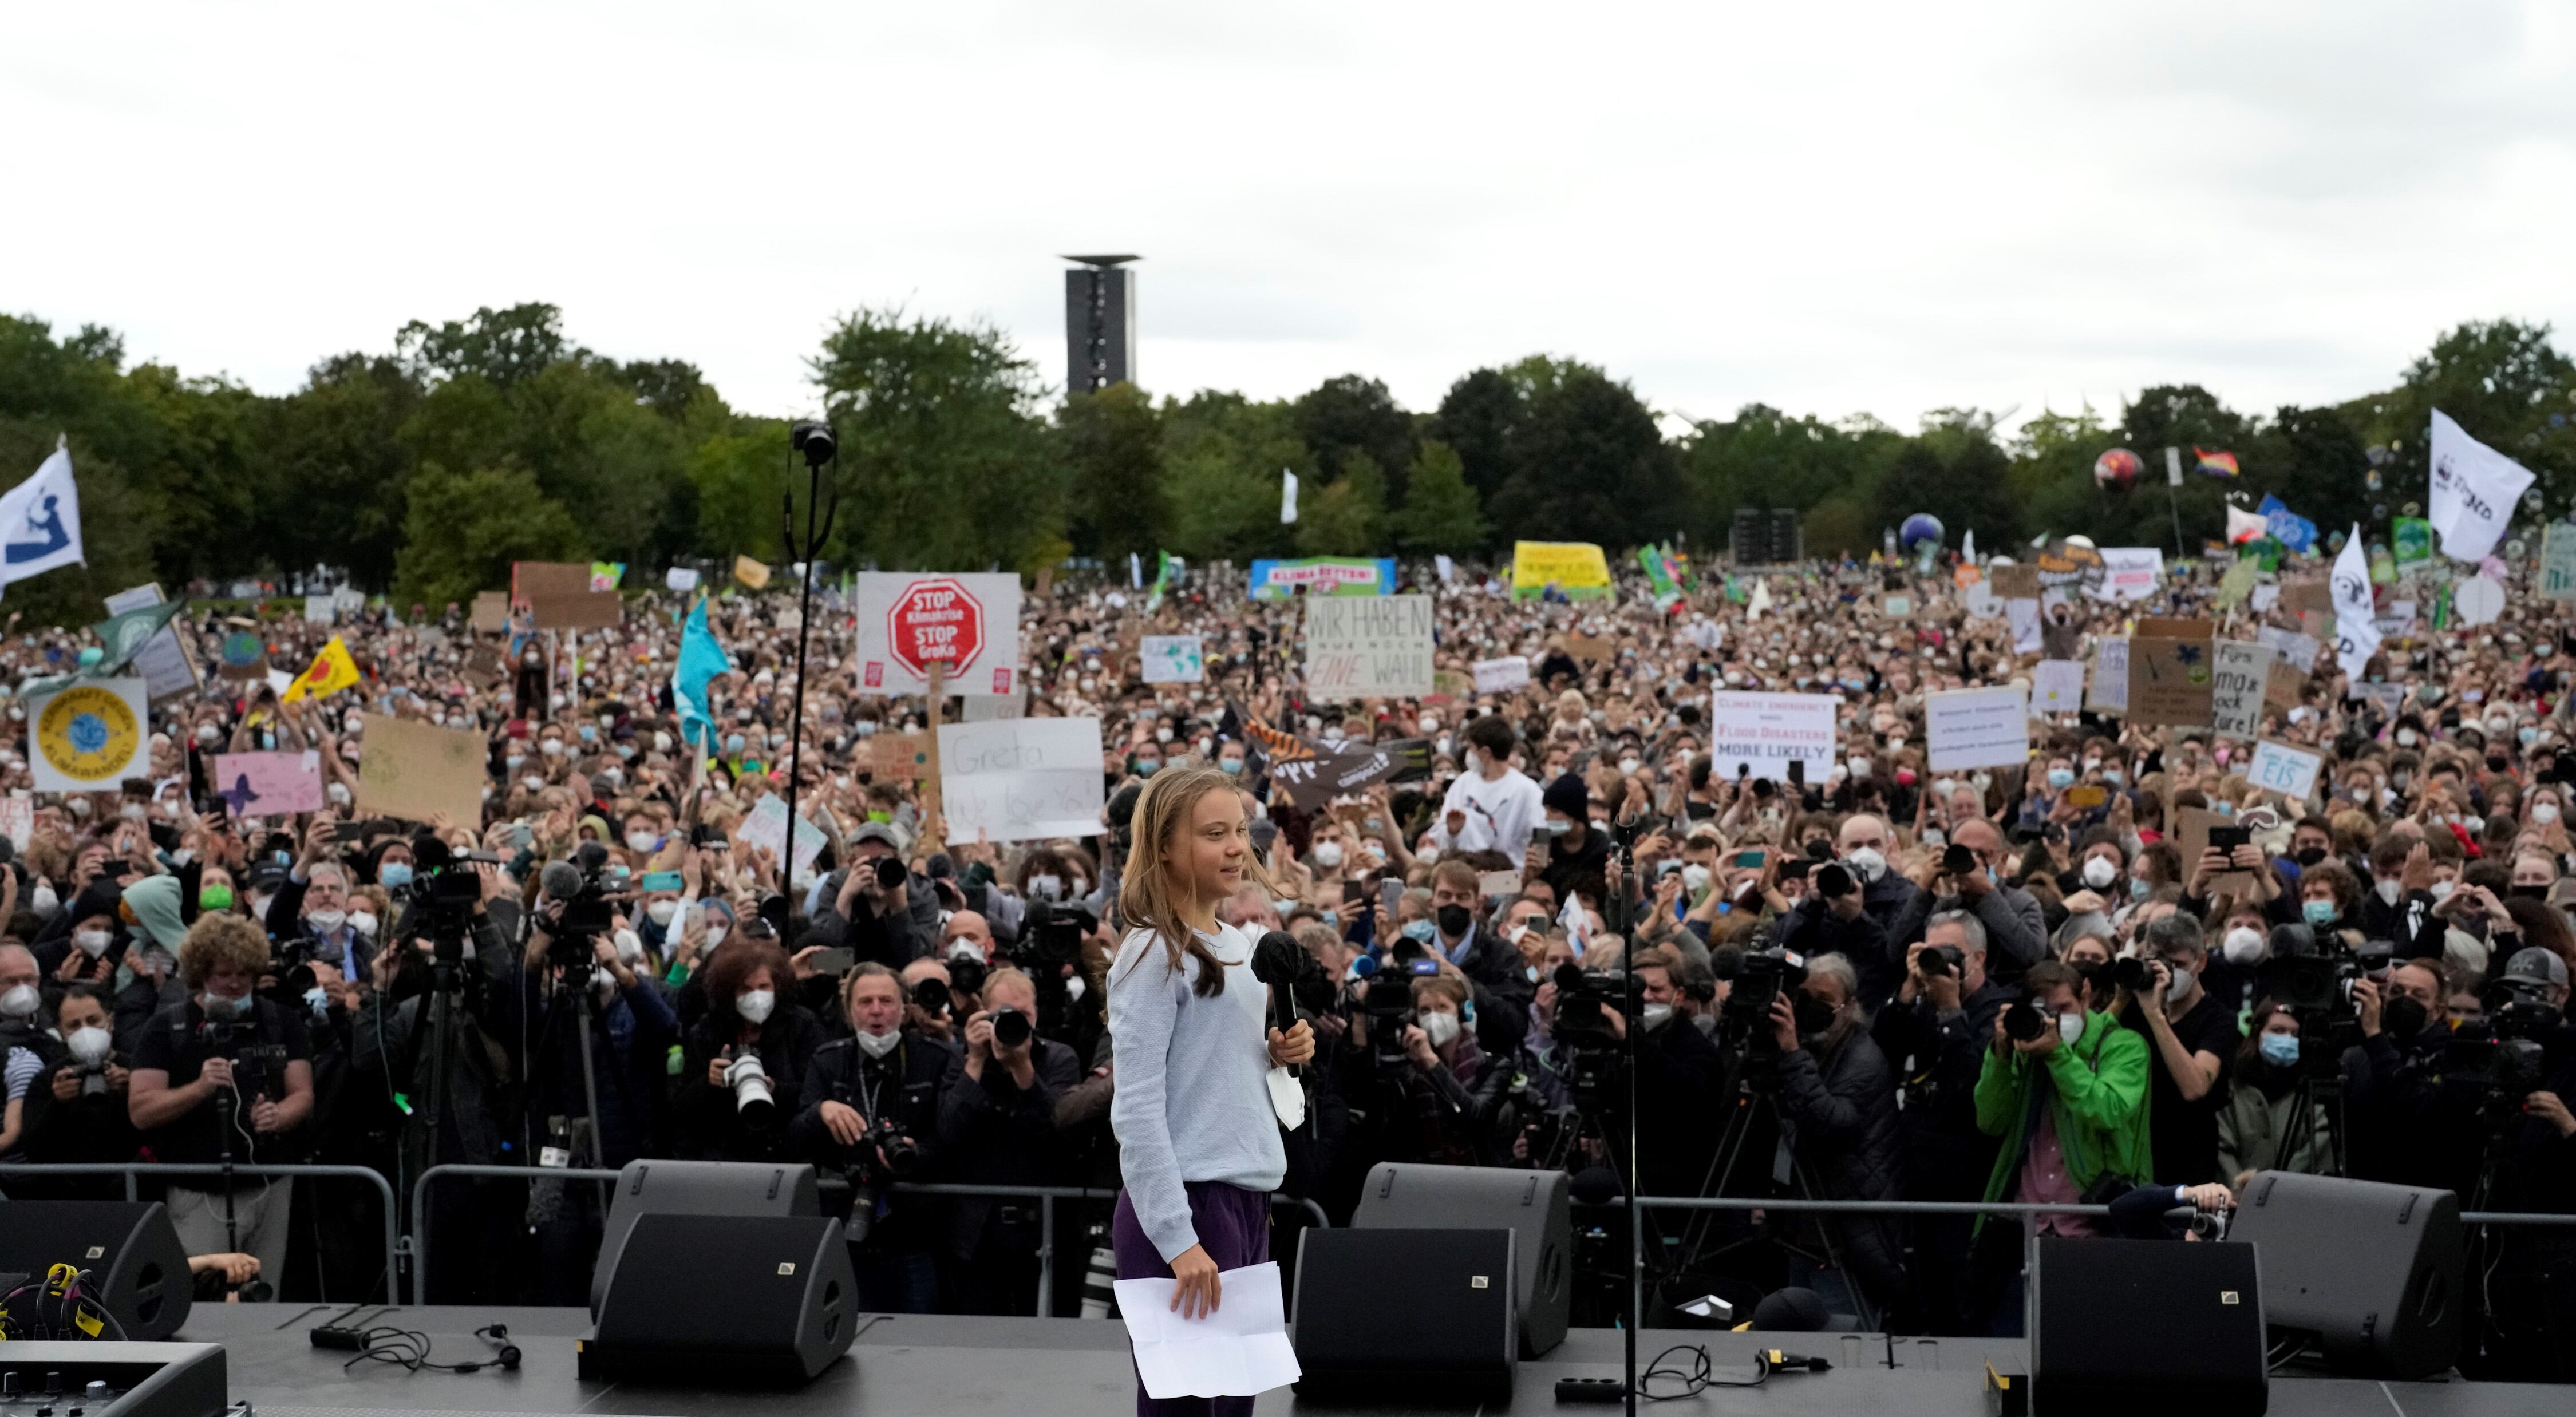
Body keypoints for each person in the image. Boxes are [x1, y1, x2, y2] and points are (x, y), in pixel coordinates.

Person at [1107, 766, 1314, 1417]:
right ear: (1165, 846)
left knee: (1232, 1411)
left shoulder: (1244, 947)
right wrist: (1178, 1237)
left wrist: (1279, 1056)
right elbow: (1136, 1109)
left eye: (1241, 832)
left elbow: (1223, 1077)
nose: (1236, 847)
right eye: (1215, 833)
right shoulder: (1150, 952)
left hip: (1246, 1203)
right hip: (1188, 1209)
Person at [126, 913, 315, 1295]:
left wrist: (279, 1116)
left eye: (244, 974)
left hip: (269, 1184)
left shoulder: (281, 1021)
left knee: (265, 1294)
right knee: (203, 1297)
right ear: (201, 973)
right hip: (198, 1191)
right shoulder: (168, 1027)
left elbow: (304, 1095)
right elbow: (141, 1111)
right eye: (223, 974)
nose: (234, 983)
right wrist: (198, 1089)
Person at [1970, 959, 2150, 1332]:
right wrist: (2001, 1056)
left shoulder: (2123, 1045)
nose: (2052, 1021)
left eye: (2063, 1009)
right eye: (2043, 1012)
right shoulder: (2025, 1048)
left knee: (2084, 1358)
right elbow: (1990, 1121)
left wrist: (2058, 1055)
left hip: (2093, 1235)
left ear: (2086, 995)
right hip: (2023, 1235)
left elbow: (2107, 1109)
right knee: (2007, 1361)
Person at [1871, 911, 2011, 1334]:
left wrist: (1952, 1012)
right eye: (1931, 954)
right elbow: (1883, 1053)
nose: (1941, 964)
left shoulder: (1996, 1011)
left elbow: (1973, 1088)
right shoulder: (1922, 1003)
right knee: (1919, 1298)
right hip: (1917, 1173)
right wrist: (1908, 992)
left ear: (1979, 958)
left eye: (1952, 954)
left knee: (1961, 1302)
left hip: (1969, 1180)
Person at [793, 963, 959, 1314]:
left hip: (912, 1227)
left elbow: (951, 1140)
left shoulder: (936, 1058)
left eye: (886, 1000)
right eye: (865, 1001)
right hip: (843, 1222)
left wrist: (918, 1152)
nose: (876, 1010)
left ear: (905, 1007)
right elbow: (795, 1138)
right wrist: (821, 1110)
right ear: (850, 1010)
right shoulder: (828, 1060)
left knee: (921, 1332)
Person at [1767, 951, 1905, 1324]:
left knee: (1838, 1347)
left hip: (1843, 1235)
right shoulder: (1819, 1048)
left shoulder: (1863, 1058)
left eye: (1825, 1002)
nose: (1813, 1010)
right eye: (1806, 999)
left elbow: (1833, 1124)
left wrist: (1792, 1052)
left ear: (1850, 1005)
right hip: (1806, 1228)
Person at [2122, 913, 2241, 1185]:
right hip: (2137, 1151)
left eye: (2178, 964)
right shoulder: (2135, 1009)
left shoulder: (2219, 1020)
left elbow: (2196, 1087)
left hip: (2188, 1157)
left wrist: (2156, 1016)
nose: (2169, 973)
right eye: (2161, 963)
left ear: (2200, 962)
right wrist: (2123, 995)